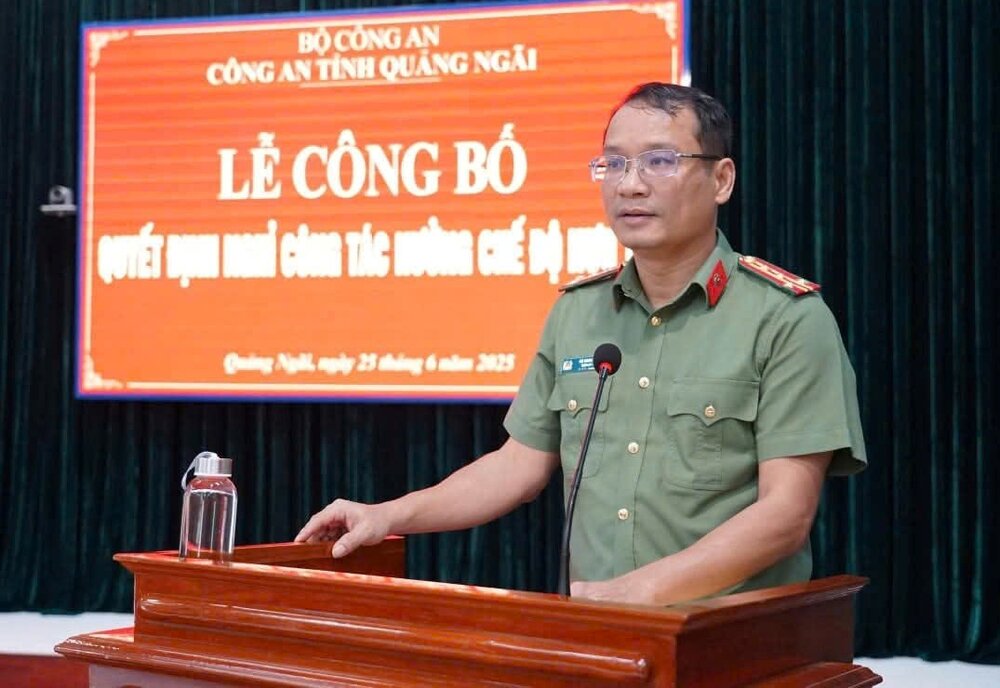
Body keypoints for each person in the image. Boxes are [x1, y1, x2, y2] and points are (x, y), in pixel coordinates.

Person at [296, 83, 866, 606]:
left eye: (660, 160)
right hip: (602, 639)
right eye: (613, 163)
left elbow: (786, 513)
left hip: (727, 644)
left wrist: (635, 593)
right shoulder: (578, 312)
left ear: (721, 180)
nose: (630, 183)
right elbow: (516, 467)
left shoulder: (786, 319)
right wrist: (387, 514)